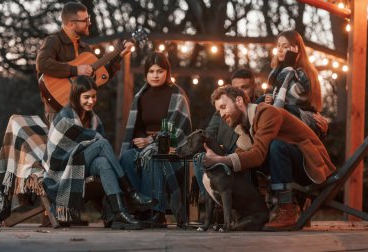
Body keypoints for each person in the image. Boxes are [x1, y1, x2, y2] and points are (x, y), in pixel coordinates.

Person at [204, 85, 335, 230]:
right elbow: (243, 155)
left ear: (239, 101)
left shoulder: (267, 112)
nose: (221, 114)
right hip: (292, 167)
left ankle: (287, 210)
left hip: (312, 166)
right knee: (245, 159)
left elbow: (258, 155)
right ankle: (253, 212)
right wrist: (220, 160)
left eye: (223, 107)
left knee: (275, 146)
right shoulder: (245, 129)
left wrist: (220, 159)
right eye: (218, 110)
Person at [42, 75, 156, 230]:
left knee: (102, 162)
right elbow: (62, 153)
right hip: (62, 167)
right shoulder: (65, 116)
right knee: (101, 143)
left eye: (94, 96)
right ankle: (130, 193)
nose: (91, 101)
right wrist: (95, 139)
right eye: (86, 97)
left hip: (80, 162)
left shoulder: (93, 119)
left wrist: (94, 141)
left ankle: (119, 213)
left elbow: (96, 149)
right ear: (76, 96)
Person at [119, 52, 192, 227]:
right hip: (146, 146)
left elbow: (179, 131)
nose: (155, 75)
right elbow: (136, 130)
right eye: (151, 71)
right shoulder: (140, 96)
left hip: (171, 150)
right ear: (146, 74)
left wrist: (151, 142)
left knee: (152, 155)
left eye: (160, 71)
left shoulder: (177, 95)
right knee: (127, 158)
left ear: (167, 72)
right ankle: (141, 207)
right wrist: (144, 141)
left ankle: (157, 212)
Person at [36, 2, 133, 124]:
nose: (89, 23)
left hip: (82, 110)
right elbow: (42, 63)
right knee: (64, 143)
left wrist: (118, 56)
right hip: (58, 108)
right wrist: (75, 70)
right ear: (71, 24)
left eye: (89, 19)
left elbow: (101, 76)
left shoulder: (85, 48)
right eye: (85, 20)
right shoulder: (53, 41)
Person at [193, 68, 258, 199]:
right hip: (221, 156)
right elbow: (209, 133)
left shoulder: (258, 109)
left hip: (244, 159)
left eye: (245, 87)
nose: (240, 93)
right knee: (200, 158)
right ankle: (208, 199)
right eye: (236, 89)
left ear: (254, 87)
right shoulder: (221, 111)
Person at [264, 30, 328, 136]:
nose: (279, 50)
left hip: (299, 118)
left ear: (296, 49)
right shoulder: (275, 72)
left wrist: (289, 63)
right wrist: (269, 98)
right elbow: (272, 95)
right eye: (278, 45)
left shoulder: (304, 73)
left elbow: (290, 99)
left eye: (285, 47)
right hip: (279, 118)